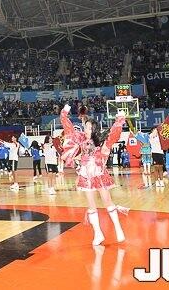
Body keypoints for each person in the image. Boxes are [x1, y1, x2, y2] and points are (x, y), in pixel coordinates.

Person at [60, 105, 128, 245]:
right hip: (85, 175)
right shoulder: (80, 139)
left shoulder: (101, 142)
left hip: (99, 173)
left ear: (94, 129)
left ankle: (118, 229)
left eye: (89, 128)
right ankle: (98, 234)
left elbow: (114, 135)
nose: (86, 129)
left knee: (107, 201)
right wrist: (64, 114)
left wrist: (120, 120)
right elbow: (69, 129)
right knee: (91, 205)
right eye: (85, 127)